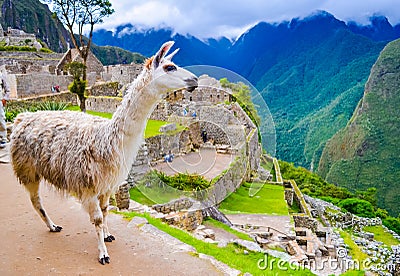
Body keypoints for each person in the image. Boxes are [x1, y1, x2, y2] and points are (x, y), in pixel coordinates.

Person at [0, 73, 10, 149]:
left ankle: (3, 139)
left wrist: (5, 98)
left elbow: (7, 89)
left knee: (1, 119)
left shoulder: (1, 75)